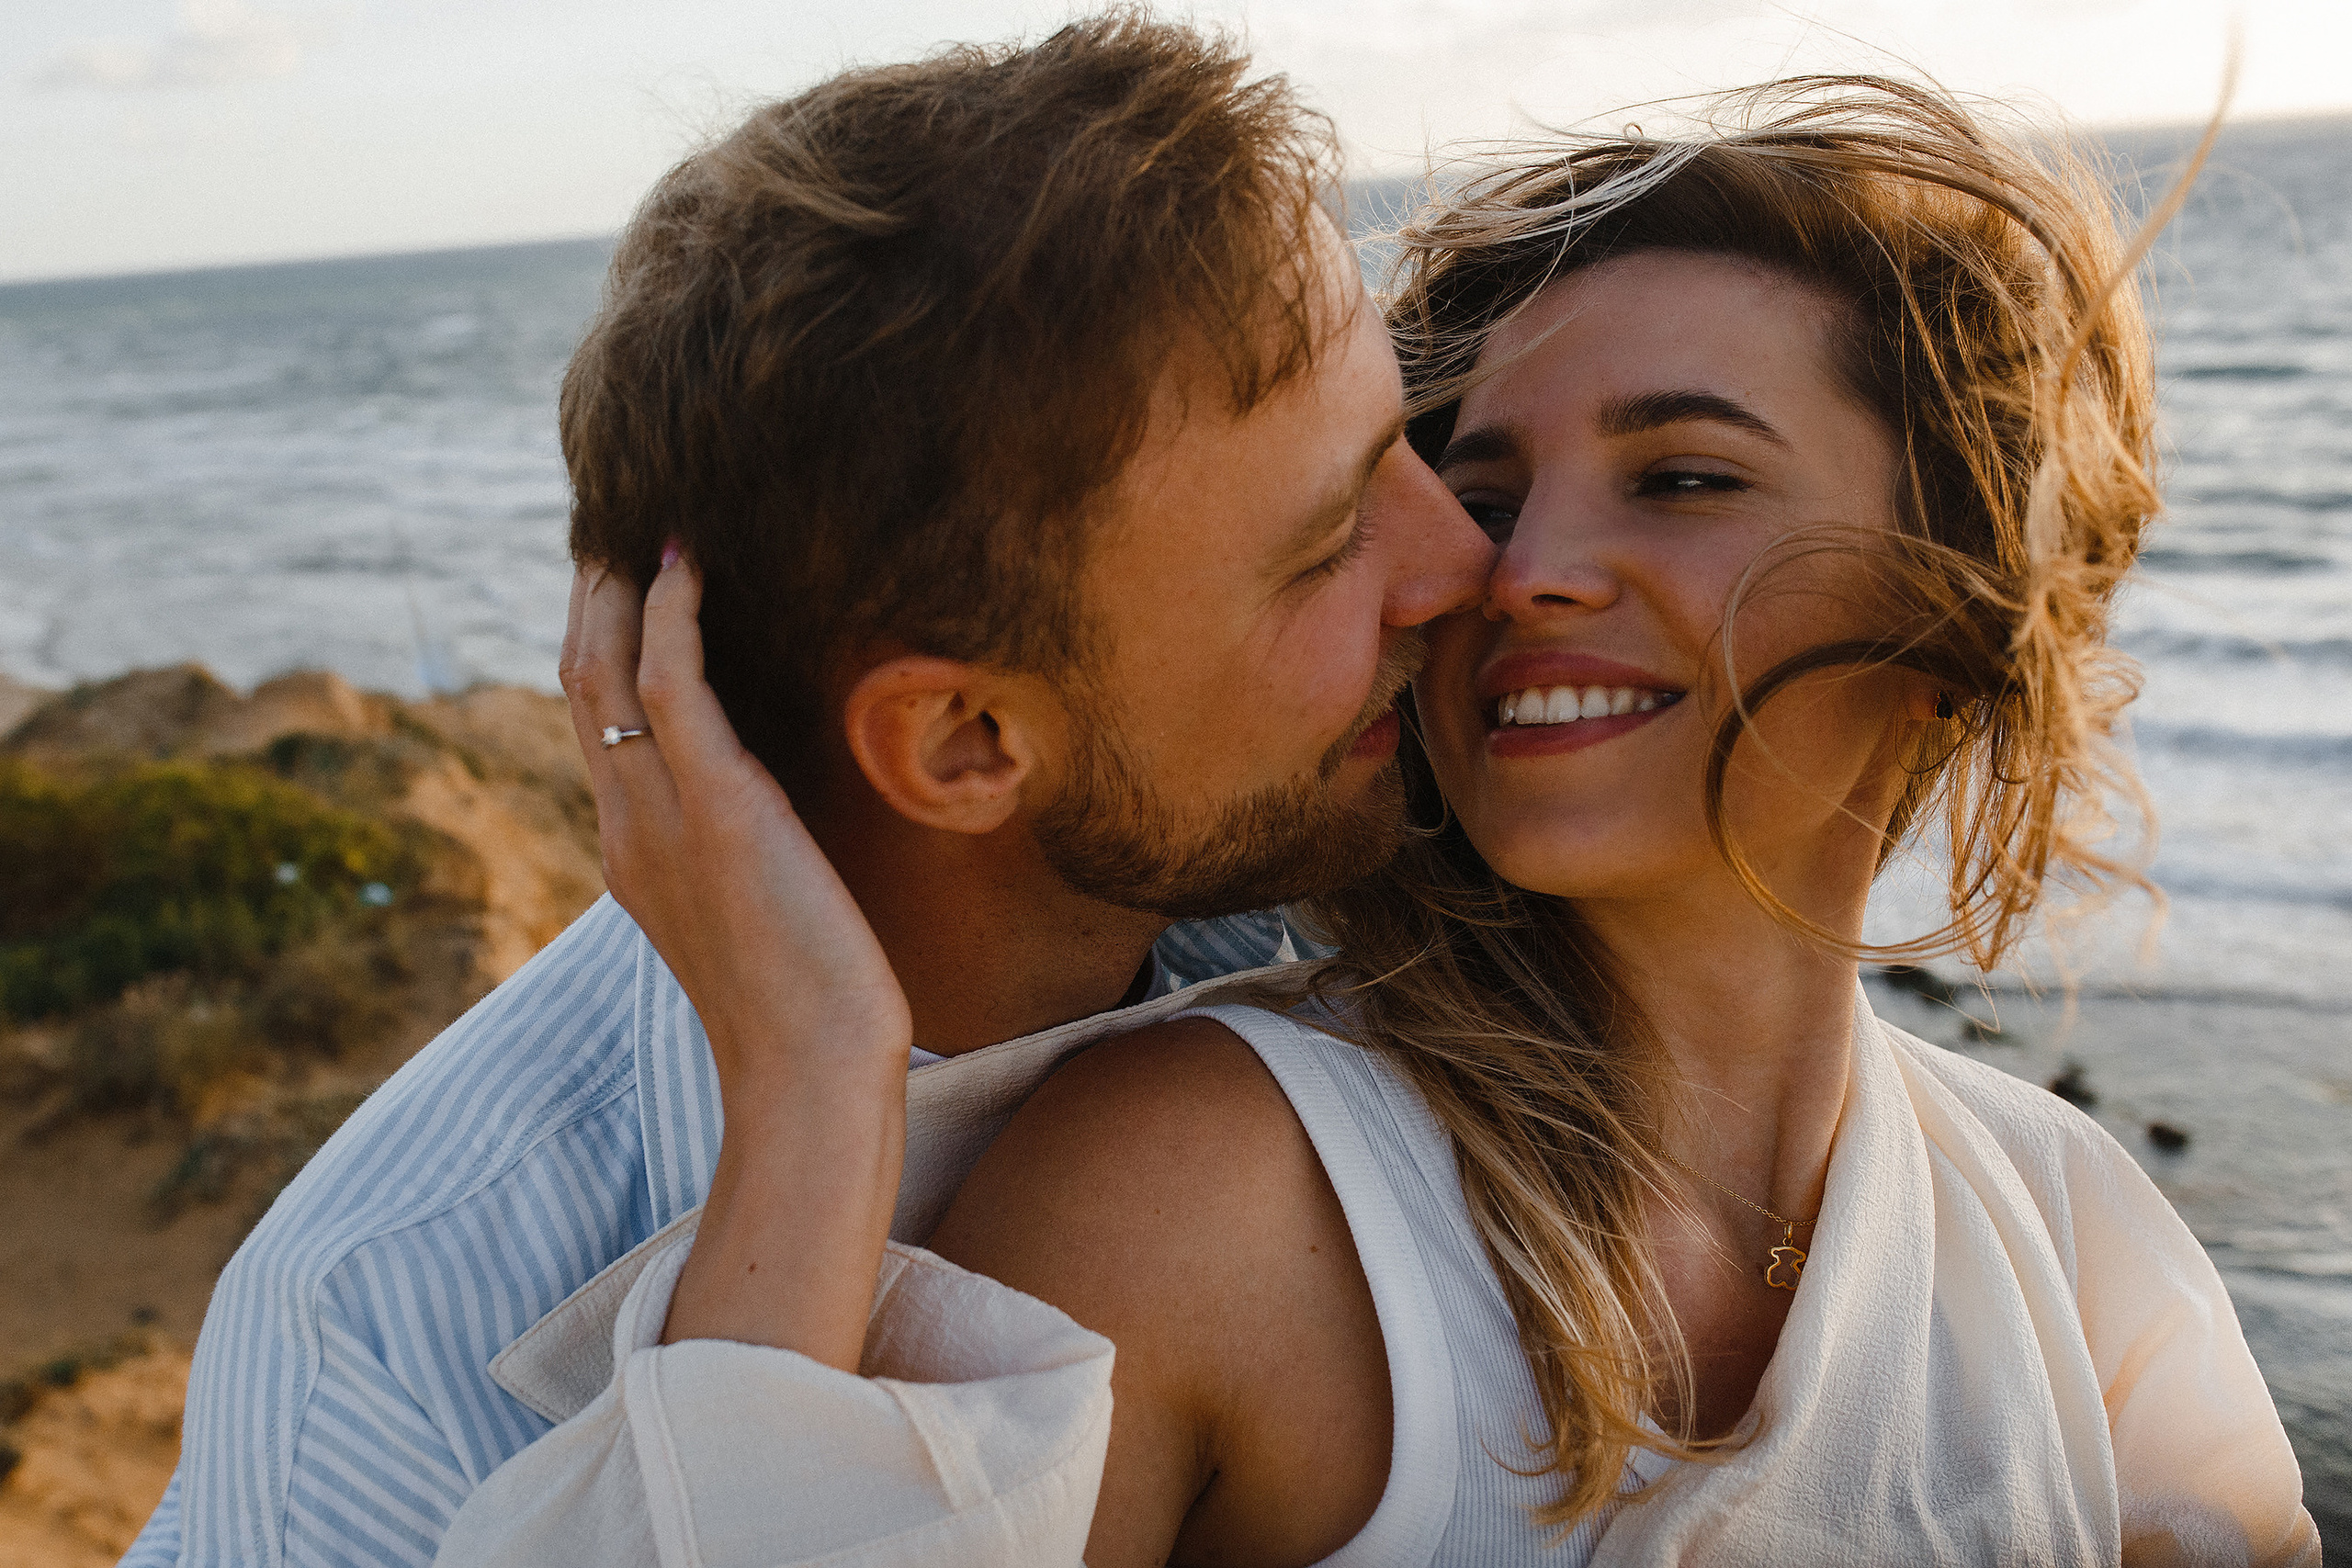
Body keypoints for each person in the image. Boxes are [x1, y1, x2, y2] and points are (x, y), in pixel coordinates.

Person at [434, 77, 2320, 1567]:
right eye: (1469, 478)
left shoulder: (2073, 1243)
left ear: (1950, 606)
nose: (1509, 569)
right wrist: (822, 1074)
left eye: (1677, 476)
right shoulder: (1200, 1189)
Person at [122, 17, 1495, 1566]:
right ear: (964, 743)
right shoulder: (387, 1340)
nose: (1462, 562)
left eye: (1406, 442)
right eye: (1327, 545)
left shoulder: (1412, 909)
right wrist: (820, 1097)